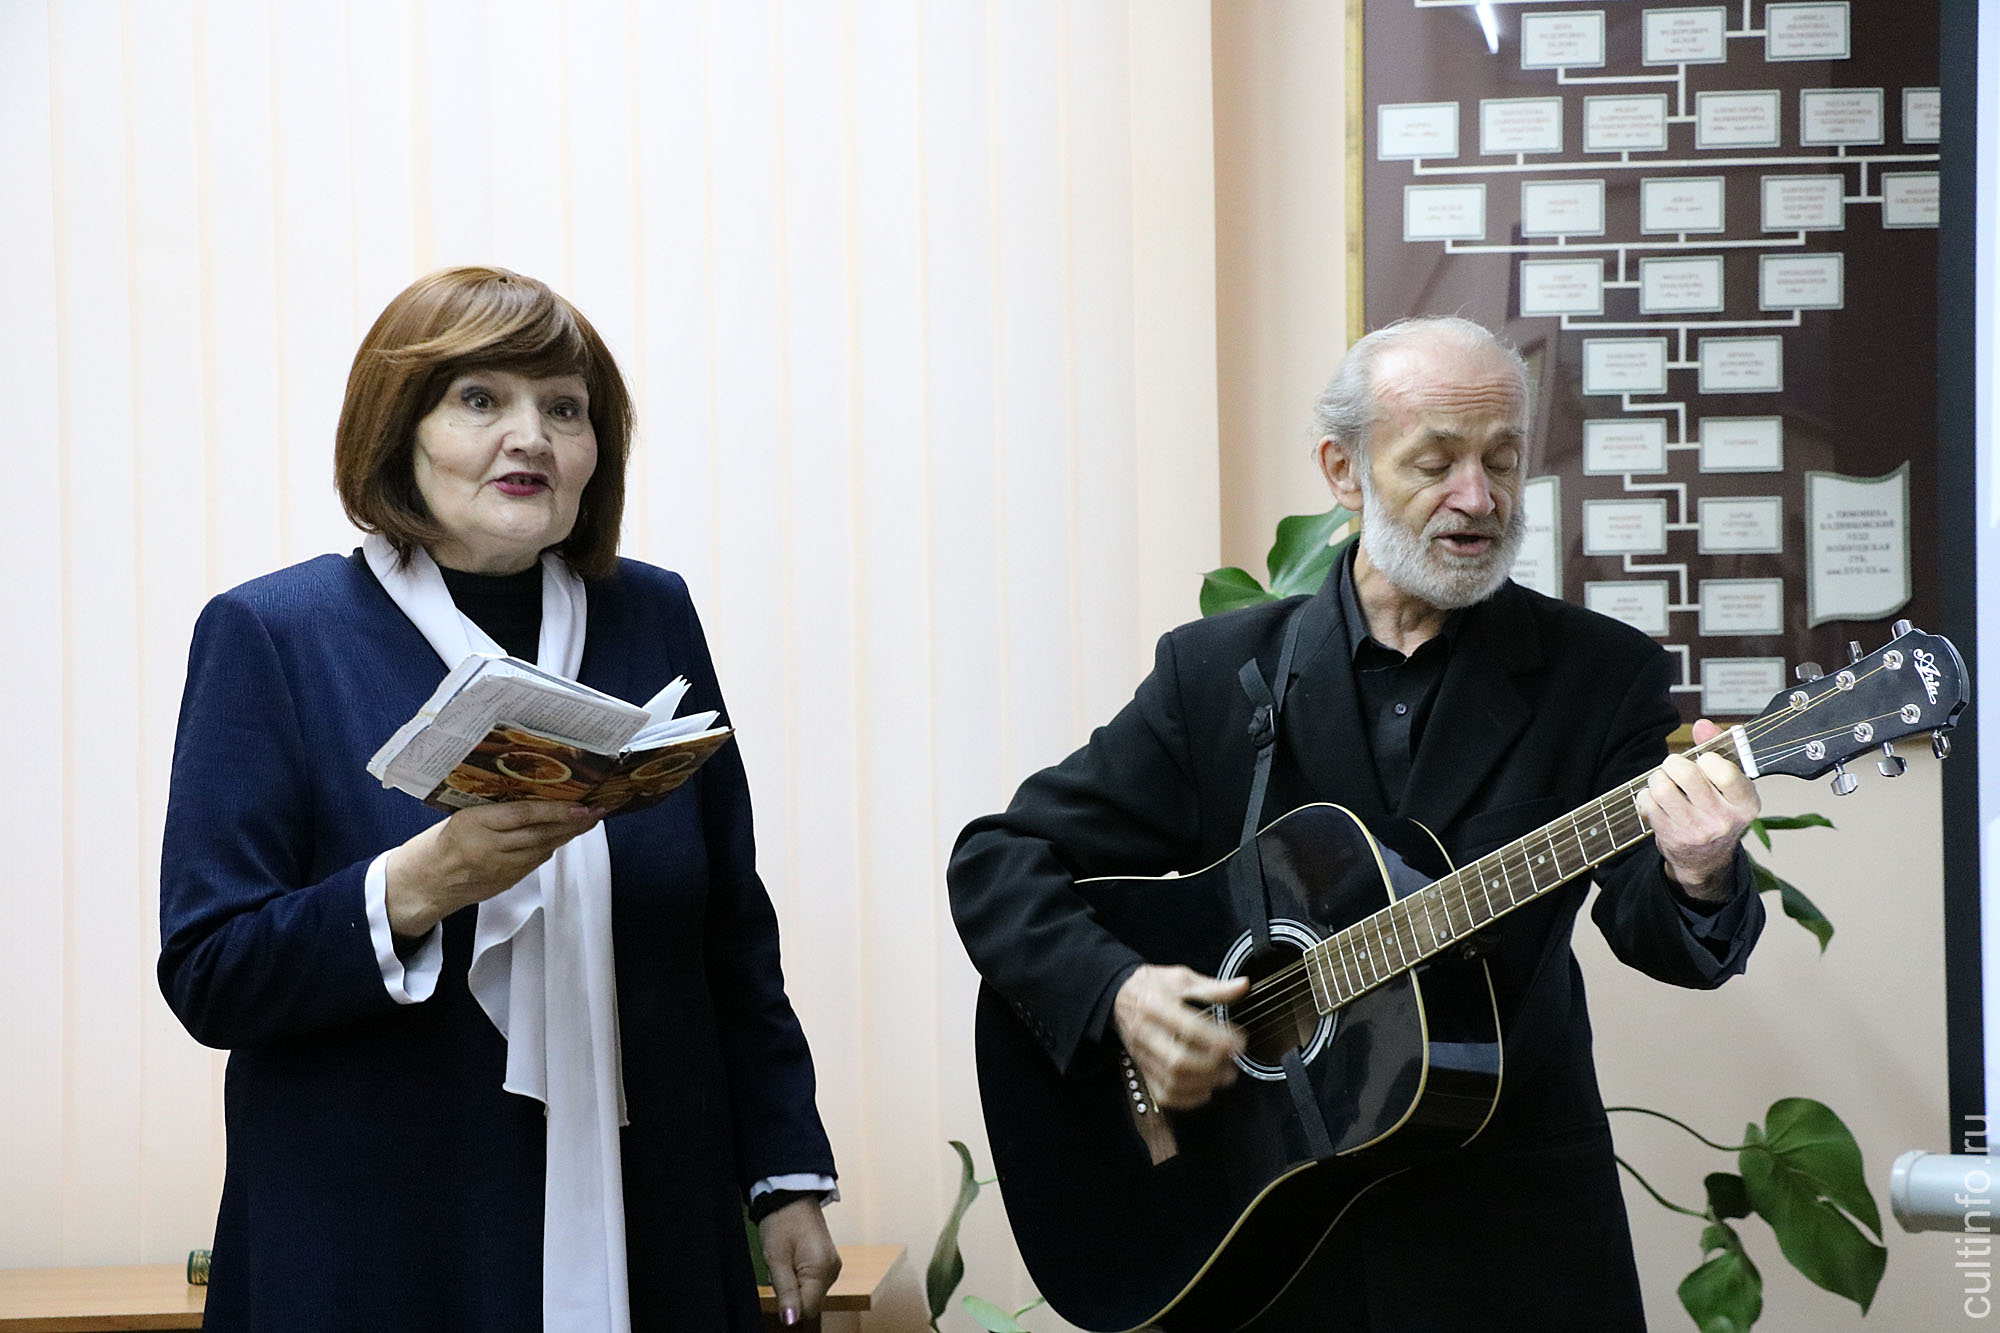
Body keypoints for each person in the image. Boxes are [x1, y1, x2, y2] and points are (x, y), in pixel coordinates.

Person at [948, 316, 1765, 1330]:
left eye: (1501, 460)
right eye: (1436, 461)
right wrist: (1116, 992)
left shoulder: (1597, 677)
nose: (1478, 497)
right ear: (1343, 471)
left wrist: (1699, 871)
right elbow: (1001, 858)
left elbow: (1659, 929)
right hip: (1261, 1244)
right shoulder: (1217, 674)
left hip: (1510, 1243)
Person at [159, 266, 839, 1332]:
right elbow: (210, 971)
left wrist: (786, 1172)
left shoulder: (651, 616)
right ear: (399, 429)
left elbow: (731, 934)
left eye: (564, 410)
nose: (531, 438)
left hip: (653, 1215)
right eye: (480, 399)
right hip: (377, 1242)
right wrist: (417, 884)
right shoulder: (274, 634)